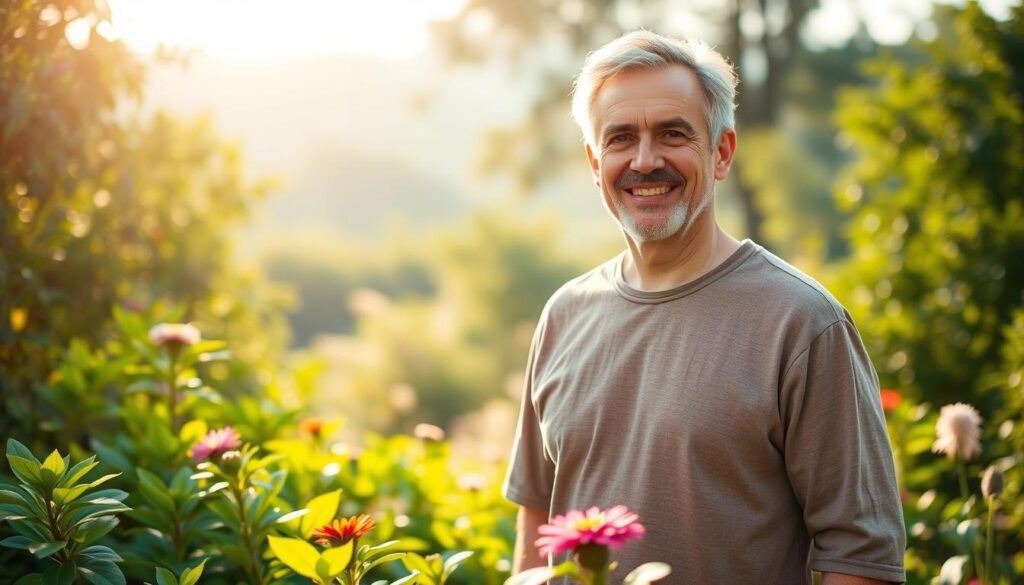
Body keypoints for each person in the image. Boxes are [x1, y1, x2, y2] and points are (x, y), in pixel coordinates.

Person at [502, 30, 906, 584]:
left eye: (673, 134)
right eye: (620, 138)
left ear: (720, 153)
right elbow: (537, 515)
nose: (645, 161)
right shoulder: (563, 315)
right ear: (595, 163)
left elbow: (861, 558)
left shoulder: (803, 323)